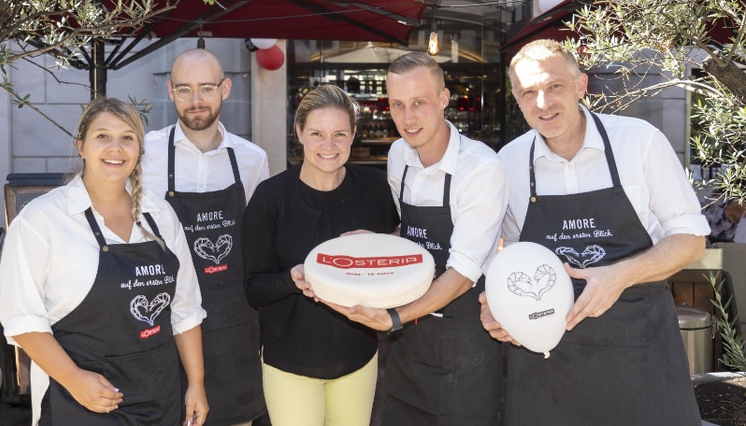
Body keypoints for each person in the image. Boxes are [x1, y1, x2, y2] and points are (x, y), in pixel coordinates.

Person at [479, 39, 711, 425]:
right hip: (547, 362)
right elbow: (500, 254)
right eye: (528, 93)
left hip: (640, 354)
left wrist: (619, 275)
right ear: (517, 101)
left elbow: (691, 239)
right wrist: (495, 308)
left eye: (554, 86)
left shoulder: (639, 142)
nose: (543, 103)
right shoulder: (508, 164)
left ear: (581, 86)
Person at [0, 97, 208, 425]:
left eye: (127, 137)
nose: (116, 147)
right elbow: (23, 319)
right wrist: (73, 378)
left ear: (139, 149)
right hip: (81, 401)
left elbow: (185, 309)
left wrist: (196, 384)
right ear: (81, 146)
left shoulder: (160, 215)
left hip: (159, 395)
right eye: (102, 136)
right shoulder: (42, 219)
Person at [326, 52, 509, 425]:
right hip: (409, 344)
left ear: (444, 100)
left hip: (465, 341)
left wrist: (393, 318)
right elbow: (411, 236)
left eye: (419, 103)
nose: (408, 119)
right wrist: (376, 243)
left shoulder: (481, 169)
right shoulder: (398, 155)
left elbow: (462, 273)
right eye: (397, 105)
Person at [241, 84, 399, 426]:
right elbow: (253, 287)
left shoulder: (375, 188)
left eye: (340, 134)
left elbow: (398, 258)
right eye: (316, 133)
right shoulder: (271, 197)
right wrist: (292, 278)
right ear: (299, 133)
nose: (329, 146)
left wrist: (380, 245)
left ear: (354, 134)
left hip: (358, 357)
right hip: (290, 364)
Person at [141, 48, 268, 426]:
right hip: (161, 320)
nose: (195, 101)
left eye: (206, 88)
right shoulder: (144, 153)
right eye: (184, 89)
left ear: (225, 89)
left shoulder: (252, 159)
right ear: (170, 91)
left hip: (231, 322)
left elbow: (257, 239)